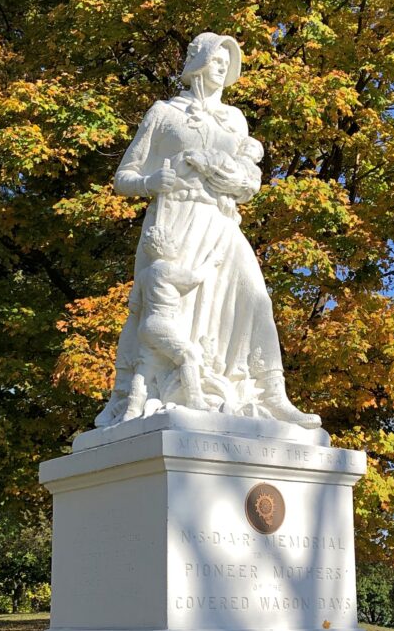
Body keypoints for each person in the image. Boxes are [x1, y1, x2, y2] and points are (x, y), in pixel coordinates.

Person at [96, 32, 321, 428]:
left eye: (227, 62)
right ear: (198, 61)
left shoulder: (235, 119)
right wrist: (151, 184)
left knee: (256, 298)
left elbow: (250, 184)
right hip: (174, 225)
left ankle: (271, 393)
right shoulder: (164, 113)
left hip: (220, 221)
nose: (223, 68)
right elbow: (124, 176)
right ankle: (151, 391)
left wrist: (221, 170)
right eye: (217, 59)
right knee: (171, 313)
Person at [122, 225, 222, 419]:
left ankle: (132, 410)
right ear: (160, 248)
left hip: (146, 325)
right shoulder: (165, 268)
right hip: (162, 322)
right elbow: (193, 278)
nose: (176, 245)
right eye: (171, 242)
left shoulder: (143, 274)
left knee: (145, 367)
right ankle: (194, 399)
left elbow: (134, 305)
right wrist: (211, 261)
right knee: (189, 355)